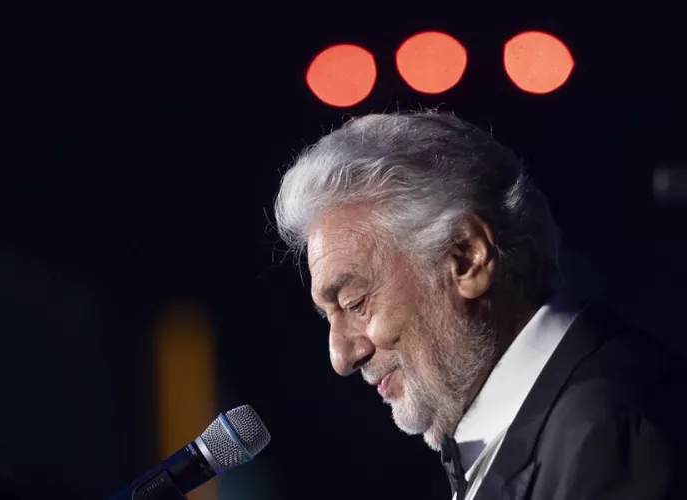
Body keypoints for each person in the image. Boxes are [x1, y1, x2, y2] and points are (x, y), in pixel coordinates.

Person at [273, 111, 687, 500]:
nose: (341, 357)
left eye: (356, 302)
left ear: (466, 258)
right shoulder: (559, 430)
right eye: (328, 316)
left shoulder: (615, 435)